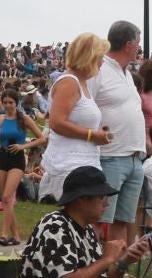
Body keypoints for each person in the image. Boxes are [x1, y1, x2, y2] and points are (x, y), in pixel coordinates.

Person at [20, 165, 150, 278]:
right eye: (101, 197)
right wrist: (105, 260)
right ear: (82, 199)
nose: (106, 203)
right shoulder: (55, 226)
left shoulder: (86, 229)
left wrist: (123, 262)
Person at [93, 22, 149, 243]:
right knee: (99, 218)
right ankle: (94, 267)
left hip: (135, 157)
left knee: (122, 221)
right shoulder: (99, 70)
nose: (139, 48)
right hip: (110, 156)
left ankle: (116, 270)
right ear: (128, 44)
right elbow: (84, 105)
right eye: (138, 43)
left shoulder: (126, 73)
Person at [41, 33, 109, 202]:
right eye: (100, 57)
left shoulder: (81, 83)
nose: (102, 63)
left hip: (84, 162)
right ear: (90, 57)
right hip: (69, 166)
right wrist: (91, 135)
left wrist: (97, 134)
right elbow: (57, 122)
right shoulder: (69, 82)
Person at [0, 87, 44, 247]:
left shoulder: (24, 118)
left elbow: (41, 138)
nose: (8, 106)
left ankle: (4, 234)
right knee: (4, 199)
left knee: (8, 197)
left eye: (11, 102)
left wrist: (23, 147)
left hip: (17, 159)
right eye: (5, 102)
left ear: (16, 103)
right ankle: (15, 235)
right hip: (2, 156)